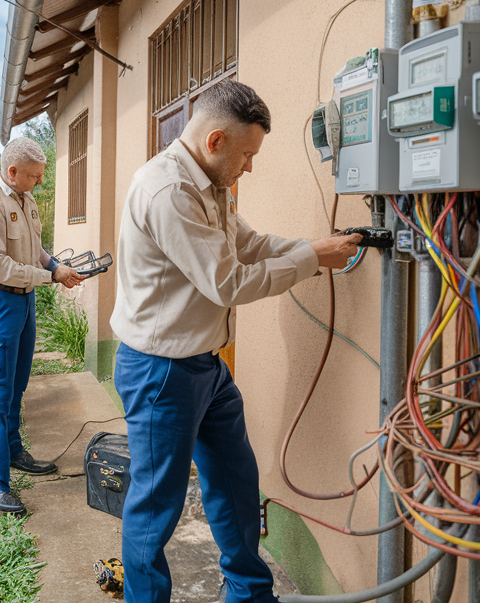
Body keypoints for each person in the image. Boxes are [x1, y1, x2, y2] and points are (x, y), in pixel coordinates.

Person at [109, 80, 362, 603]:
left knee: (236, 482)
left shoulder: (208, 185)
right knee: (155, 511)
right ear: (216, 140)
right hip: (162, 373)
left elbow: (250, 246)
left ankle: (249, 593)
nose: (250, 167)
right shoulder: (168, 192)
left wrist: (315, 247)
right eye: (247, 155)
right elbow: (228, 281)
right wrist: (313, 259)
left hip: (204, 367)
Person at [0, 137, 84, 514]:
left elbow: (34, 247)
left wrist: (54, 266)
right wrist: (48, 277)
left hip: (24, 298)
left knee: (18, 384)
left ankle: (14, 451)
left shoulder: (24, 197)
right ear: (12, 171)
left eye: (40, 176)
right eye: (32, 177)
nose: (38, 183)